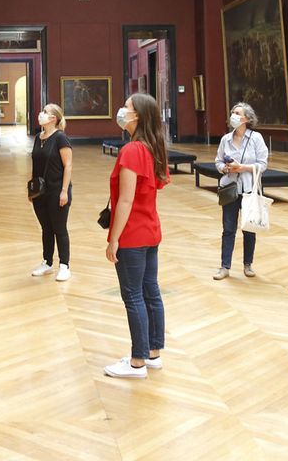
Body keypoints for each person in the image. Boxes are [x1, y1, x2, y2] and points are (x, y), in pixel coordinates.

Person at [104, 93, 169, 379]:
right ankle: (152, 353)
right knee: (150, 291)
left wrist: (113, 238)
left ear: (137, 116)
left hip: (132, 234)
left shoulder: (131, 150)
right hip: (150, 230)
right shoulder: (153, 147)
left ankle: (137, 362)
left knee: (133, 297)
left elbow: (126, 201)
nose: (123, 111)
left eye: (127, 107)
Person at [212, 102, 269, 280]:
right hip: (229, 188)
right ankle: (224, 266)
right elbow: (218, 161)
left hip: (248, 190)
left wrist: (242, 167)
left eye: (237, 113)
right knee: (228, 229)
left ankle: (248, 265)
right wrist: (226, 169)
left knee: (248, 229)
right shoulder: (225, 139)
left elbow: (263, 164)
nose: (233, 116)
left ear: (247, 119)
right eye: (232, 113)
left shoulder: (256, 138)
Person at [30, 103, 73, 282]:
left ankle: (64, 265)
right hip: (40, 192)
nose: (41, 114)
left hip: (57, 190)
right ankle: (47, 262)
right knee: (46, 228)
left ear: (53, 118)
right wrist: (32, 190)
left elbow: (68, 165)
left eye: (45, 112)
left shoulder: (60, 138)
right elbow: (35, 164)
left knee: (59, 228)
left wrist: (64, 191)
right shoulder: (38, 138)